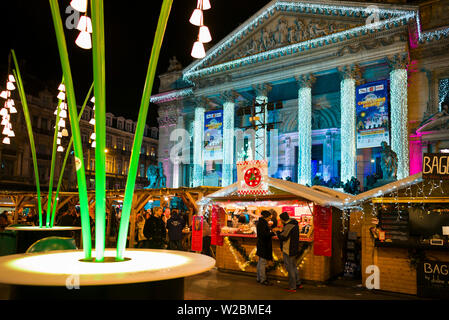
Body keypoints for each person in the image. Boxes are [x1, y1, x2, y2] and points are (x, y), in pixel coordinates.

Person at [275, 212, 302, 292]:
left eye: (280, 219)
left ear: (283, 219)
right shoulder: (294, 224)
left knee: (290, 268)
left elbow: (283, 237)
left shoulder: (289, 226)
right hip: (294, 248)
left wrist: (277, 232)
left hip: (288, 249)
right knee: (293, 267)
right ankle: (298, 283)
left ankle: (292, 287)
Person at [256, 210, 275, 286]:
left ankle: (259, 278)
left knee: (260, 262)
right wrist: (272, 233)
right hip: (263, 245)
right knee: (262, 262)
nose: (270, 219)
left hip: (261, 244)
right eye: (269, 218)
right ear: (266, 217)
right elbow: (264, 235)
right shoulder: (262, 223)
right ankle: (263, 279)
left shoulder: (261, 223)